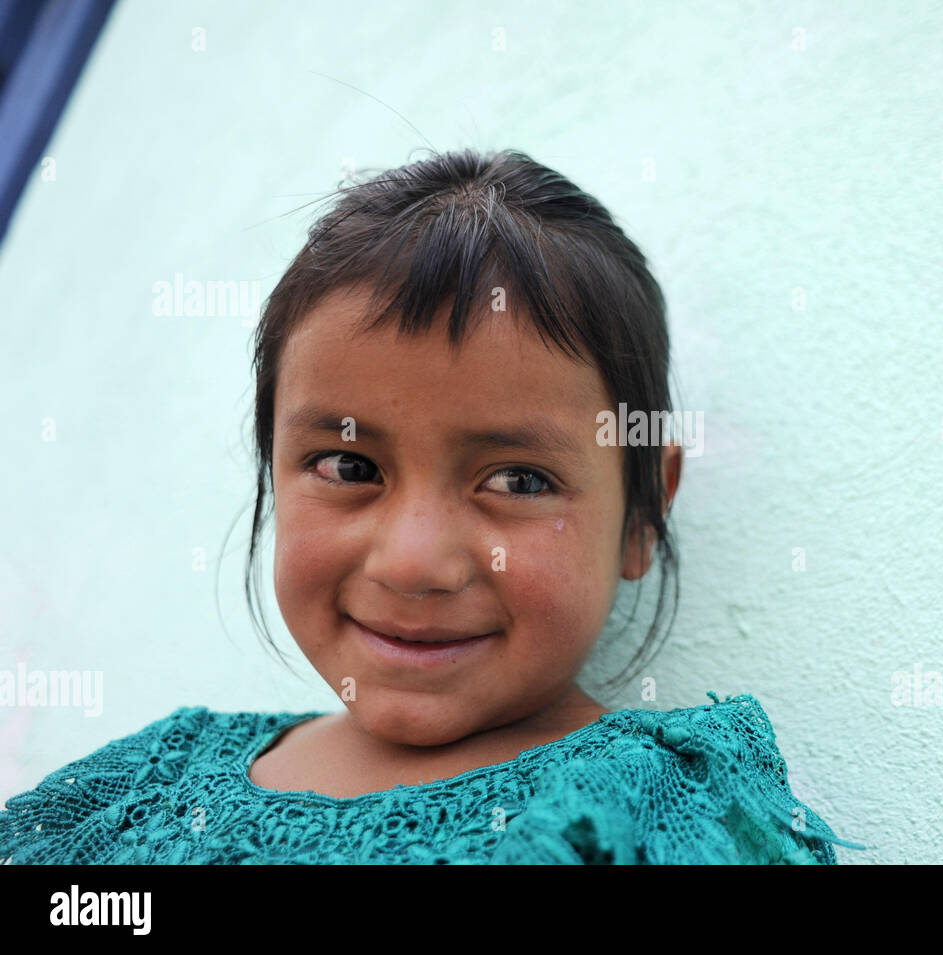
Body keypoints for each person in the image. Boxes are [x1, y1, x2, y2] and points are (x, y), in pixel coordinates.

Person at [0, 147, 864, 864]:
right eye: (347, 463)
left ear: (643, 511)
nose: (413, 561)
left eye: (519, 480)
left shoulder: (661, 811)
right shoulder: (136, 795)